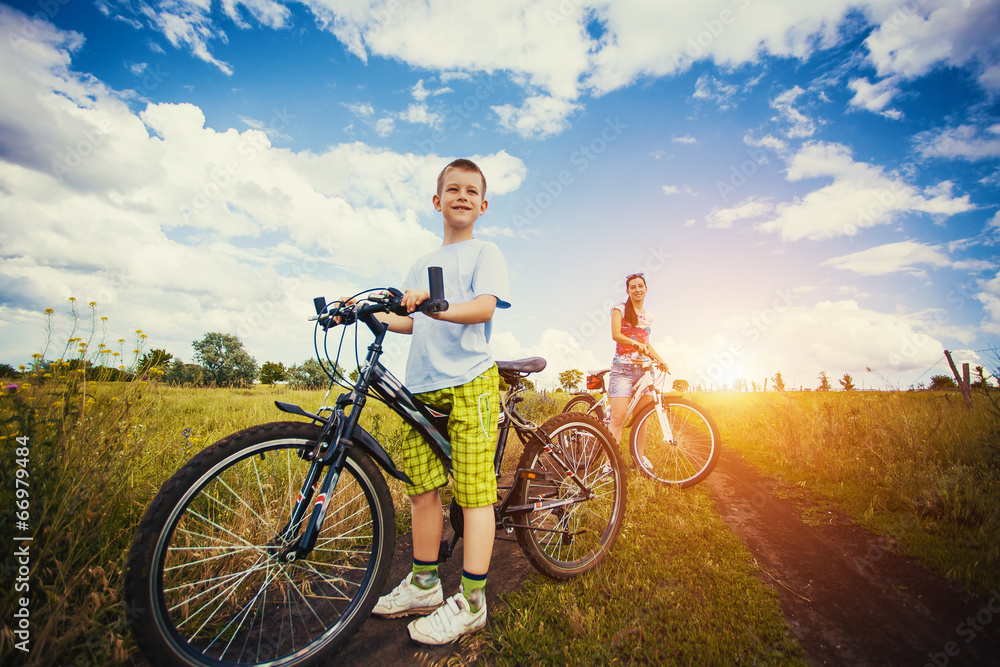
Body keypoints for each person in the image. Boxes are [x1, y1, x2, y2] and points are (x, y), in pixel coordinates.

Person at [366, 158, 510, 646]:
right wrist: (370, 315)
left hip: (470, 380)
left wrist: (439, 305)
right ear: (437, 200)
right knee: (422, 489)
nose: (462, 196)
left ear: (483, 204)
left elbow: (484, 307)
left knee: (473, 493)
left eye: (472, 190)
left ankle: (472, 602)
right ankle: (425, 584)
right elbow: (413, 320)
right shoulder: (421, 262)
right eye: (453, 189)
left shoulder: (484, 252)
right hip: (423, 386)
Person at [608, 272, 668, 467]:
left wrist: (660, 360)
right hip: (623, 369)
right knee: (618, 417)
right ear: (628, 290)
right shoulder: (620, 309)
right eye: (633, 287)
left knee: (642, 418)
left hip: (644, 372)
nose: (637, 289)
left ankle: (639, 459)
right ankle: (610, 463)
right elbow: (616, 335)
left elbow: (647, 344)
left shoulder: (648, 316)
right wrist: (635, 343)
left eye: (640, 286)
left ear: (646, 289)